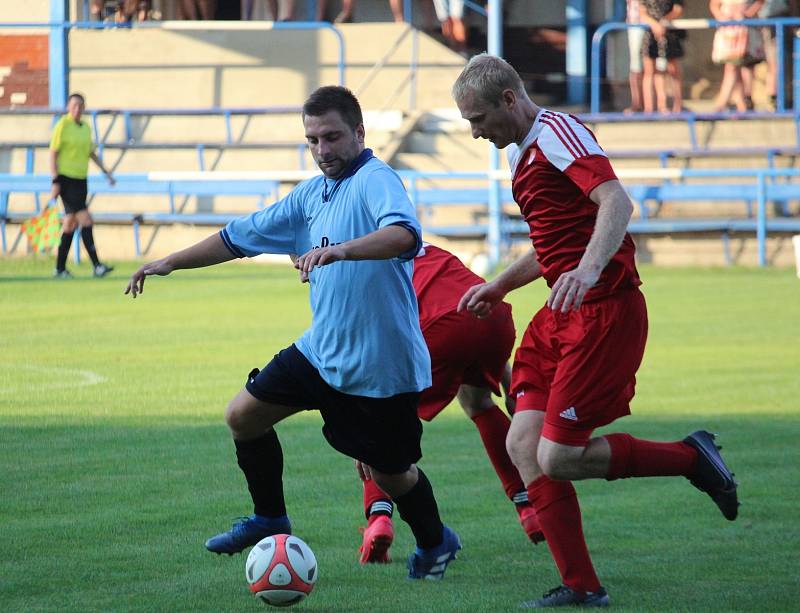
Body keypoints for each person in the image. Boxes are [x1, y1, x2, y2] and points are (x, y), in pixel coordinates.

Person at [125, 85, 461, 581]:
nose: (323, 150)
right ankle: (269, 518)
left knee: (392, 473)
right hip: (323, 351)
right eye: (313, 140)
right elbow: (236, 237)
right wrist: (169, 262)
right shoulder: (310, 195)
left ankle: (436, 543)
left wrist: (341, 250)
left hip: (381, 365)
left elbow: (406, 236)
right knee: (243, 416)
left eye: (332, 137)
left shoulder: (376, 179)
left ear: (359, 133)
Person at [451, 54, 739, 608]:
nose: (475, 131)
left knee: (558, 456)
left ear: (510, 99)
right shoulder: (523, 156)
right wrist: (500, 285)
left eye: (478, 118)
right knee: (522, 443)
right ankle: (582, 587)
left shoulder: (558, 134)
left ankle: (691, 458)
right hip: (560, 317)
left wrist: (587, 269)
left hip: (605, 314)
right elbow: (553, 245)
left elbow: (616, 201)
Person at [355, 243, 543, 565]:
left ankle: (378, 520)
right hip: (491, 316)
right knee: (479, 401)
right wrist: (505, 373)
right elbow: (465, 306)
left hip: (440, 329)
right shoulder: (417, 242)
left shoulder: (357, 265)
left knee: (372, 419)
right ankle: (530, 507)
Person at [49, 93, 115, 279]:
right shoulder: (62, 125)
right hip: (66, 180)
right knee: (86, 220)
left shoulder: (85, 127)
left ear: (84, 108)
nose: (77, 109)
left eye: (80, 105)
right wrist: (55, 181)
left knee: (70, 224)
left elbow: (91, 153)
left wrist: (106, 172)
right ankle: (97, 266)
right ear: (69, 107)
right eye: (74, 105)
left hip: (81, 180)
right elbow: (53, 154)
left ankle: (60, 269)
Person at [710, 0, 765, 112]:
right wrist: (721, 17)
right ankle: (731, 102)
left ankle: (743, 100)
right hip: (729, 32)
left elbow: (760, 2)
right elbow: (714, 4)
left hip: (745, 30)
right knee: (732, 66)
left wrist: (747, 14)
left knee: (745, 66)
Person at [639, 0, 685, 113]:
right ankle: (649, 108)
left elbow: (678, 9)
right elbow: (642, 12)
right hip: (650, 33)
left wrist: (663, 22)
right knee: (649, 71)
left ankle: (675, 106)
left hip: (669, 32)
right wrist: (654, 24)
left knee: (672, 69)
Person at [759, 0, 797, 110]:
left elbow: (792, 4)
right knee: (774, 64)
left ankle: (786, 98)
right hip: (769, 24)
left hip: (785, 23)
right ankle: (775, 99)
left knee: (786, 64)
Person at [625, 0, 645, 113]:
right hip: (635, 26)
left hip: (651, 25)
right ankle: (637, 104)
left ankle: (654, 105)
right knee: (635, 68)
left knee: (655, 69)